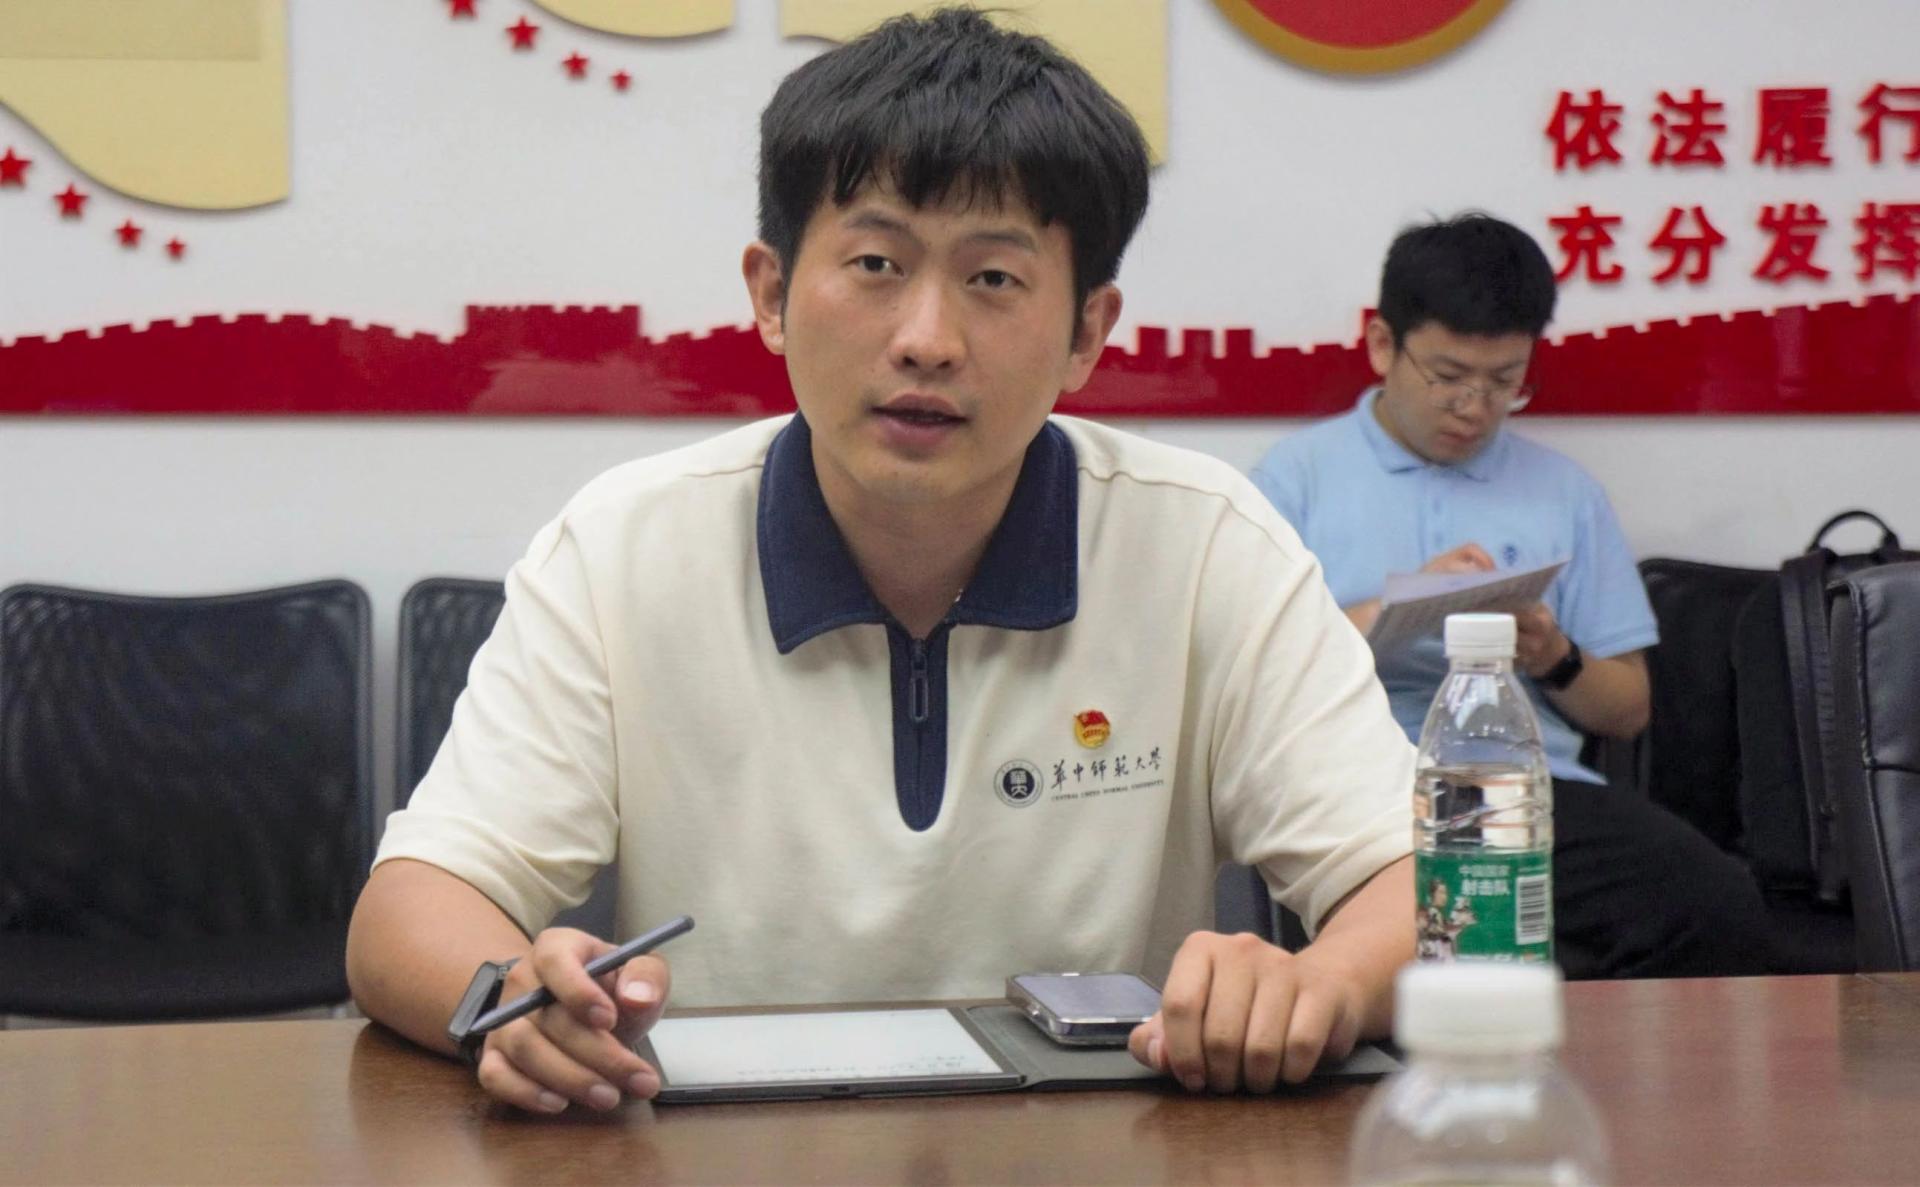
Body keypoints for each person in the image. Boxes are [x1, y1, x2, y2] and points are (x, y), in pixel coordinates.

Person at [347, 8, 1418, 1114]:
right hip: (720, 1147)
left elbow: (1429, 888)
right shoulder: (623, 549)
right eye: (875, 262)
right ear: (771, 293)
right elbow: (411, 906)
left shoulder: (1206, 545)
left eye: (993, 279)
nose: (926, 339)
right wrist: (515, 998)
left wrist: (1318, 982)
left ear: (1087, 333)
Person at [1250, 213, 1773, 980]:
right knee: (1442, 934)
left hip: (1527, 795)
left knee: (1718, 904)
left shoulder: (1563, 492)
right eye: (1448, 376)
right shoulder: (1293, 479)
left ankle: (1614, 1061)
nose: (1474, 406)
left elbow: (1627, 709)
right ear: (1383, 345)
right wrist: (1399, 608)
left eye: (1504, 382)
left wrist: (1552, 654)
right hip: (1361, 790)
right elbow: (1254, 675)